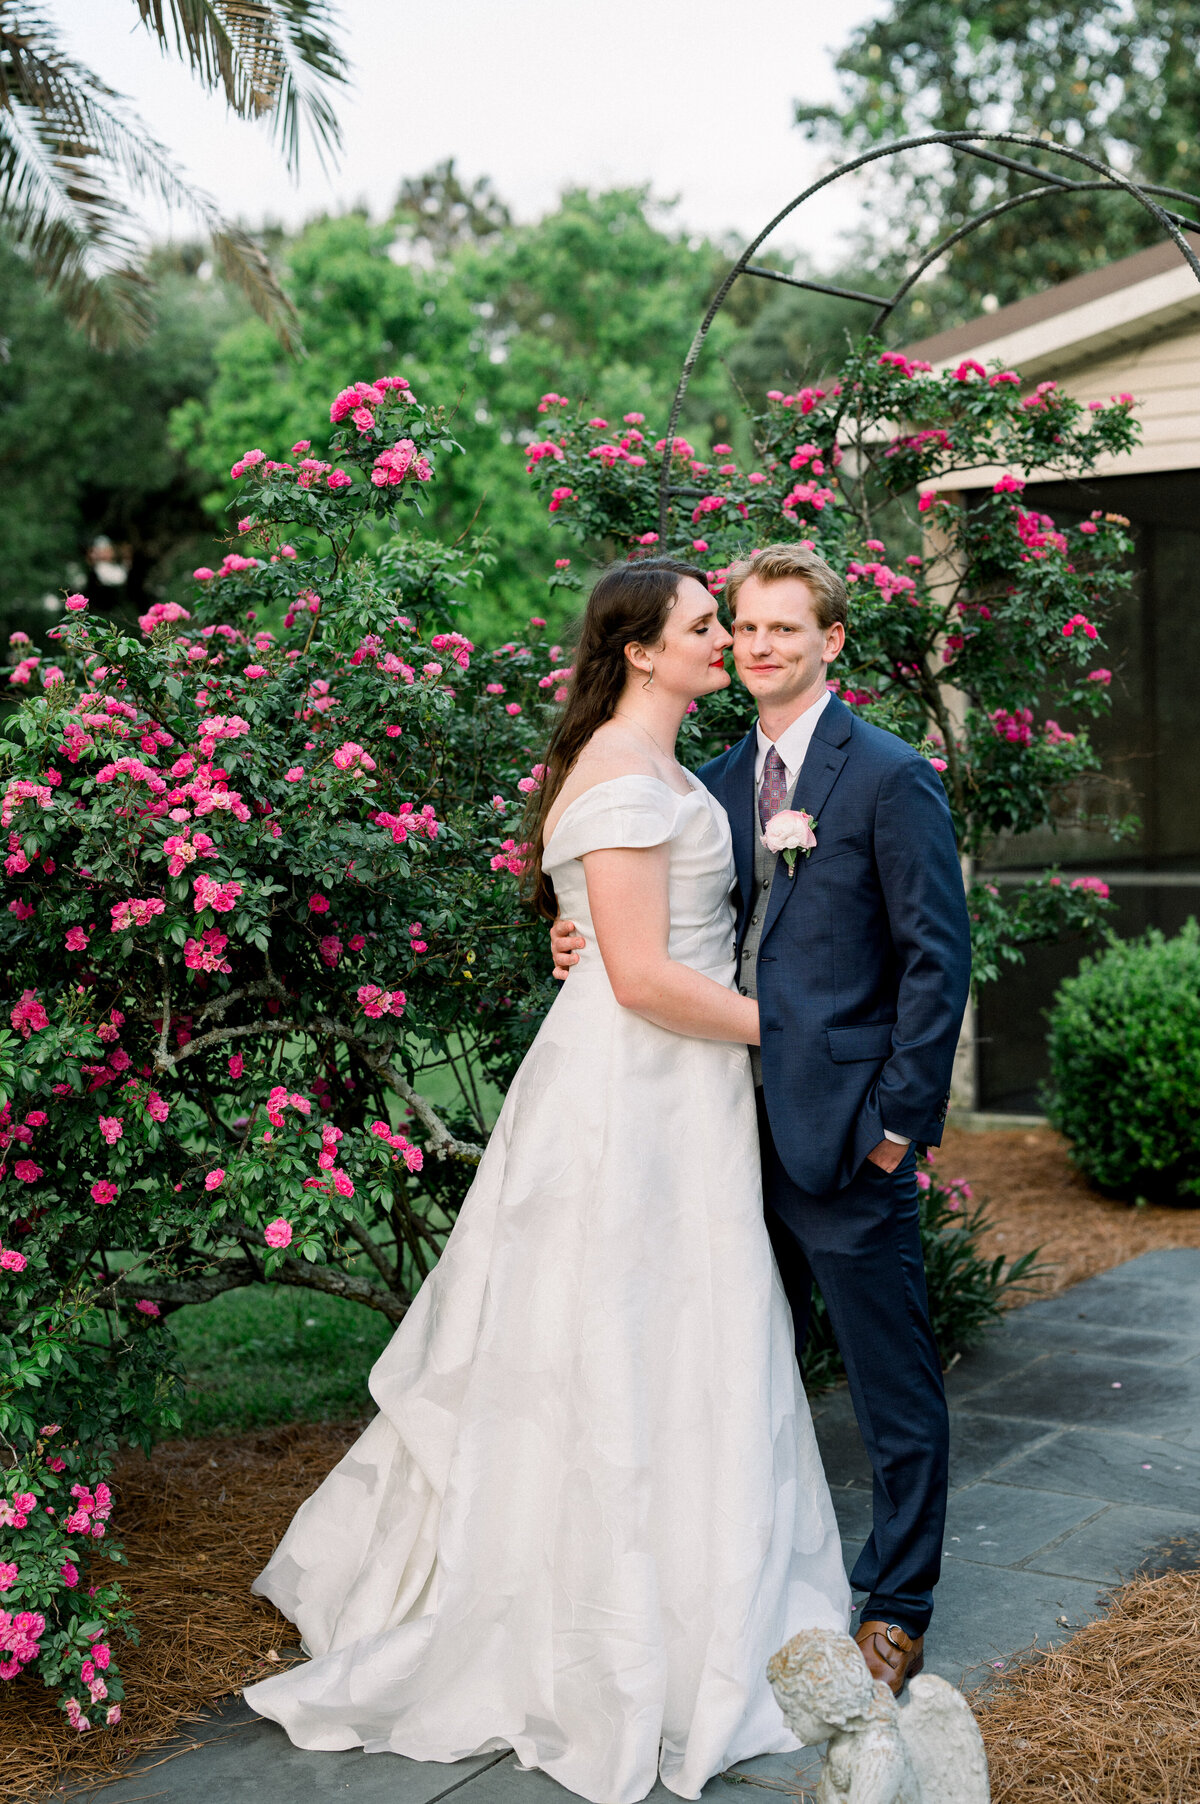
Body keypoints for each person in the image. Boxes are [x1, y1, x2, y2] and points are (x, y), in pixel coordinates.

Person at [244, 557, 850, 1804]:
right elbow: (639, 976)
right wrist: (799, 1034)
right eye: (702, 627)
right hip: (637, 1094)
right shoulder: (628, 775)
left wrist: (582, 933)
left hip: (682, 1093)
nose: (724, 643)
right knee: (614, 1338)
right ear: (642, 650)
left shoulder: (680, 770)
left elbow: (613, 932)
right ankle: (603, 1632)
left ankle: (695, 1595)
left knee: (683, 1337)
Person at [553, 544, 971, 1695]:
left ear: (833, 640)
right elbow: (660, 907)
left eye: (788, 627)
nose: (762, 645)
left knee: (891, 1380)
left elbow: (940, 958)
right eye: (742, 628)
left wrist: (899, 1122)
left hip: (846, 1134)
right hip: (713, 1133)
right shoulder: (713, 777)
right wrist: (579, 933)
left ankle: (898, 1600)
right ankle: (733, 1585)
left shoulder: (889, 775)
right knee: (731, 1369)